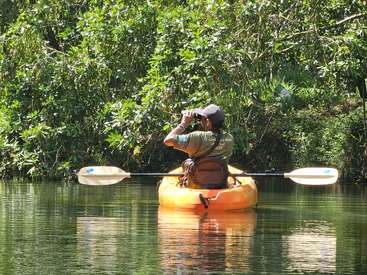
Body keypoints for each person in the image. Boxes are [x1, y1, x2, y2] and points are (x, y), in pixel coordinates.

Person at [164, 104, 234, 189]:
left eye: (202, 119)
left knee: (188, 162)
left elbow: (167, 140)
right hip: (219, 183)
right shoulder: (229, 138)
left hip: (197, 184)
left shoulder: (197, 137)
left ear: (208, 122)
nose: (200, 121)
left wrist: (184, 124)